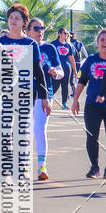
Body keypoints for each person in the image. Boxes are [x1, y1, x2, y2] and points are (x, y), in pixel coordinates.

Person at [28, 18, 63, 180]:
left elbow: (61, 71)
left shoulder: (49, 48)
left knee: (40, 131)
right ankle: (25, 166)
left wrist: (56, 72)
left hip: (44, 95)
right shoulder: (23, 47)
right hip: (24, 95)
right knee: (26, 132)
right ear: (27, 30)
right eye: (36, 28)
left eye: (42, 28)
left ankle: (42, 167)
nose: (40, 31)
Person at [71, 28, 106, 178]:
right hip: (92, 105)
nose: (105, 42)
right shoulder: (91, 60)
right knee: (92, 136)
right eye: (102, 40)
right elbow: (83, 81)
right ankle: (94, 167)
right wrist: (75, 100)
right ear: (97, 43)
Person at [52, 27, 77, 108]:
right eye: (65, 33)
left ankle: (64, 103)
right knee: (55, 85)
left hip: (67, 68)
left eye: (67, 33)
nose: (67, 35)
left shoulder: (68, 45)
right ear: (59, 34)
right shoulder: (53, 44)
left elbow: (71, 58)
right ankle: (47, 98)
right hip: (57, 68)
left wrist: (75, 70)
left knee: (65, 85)